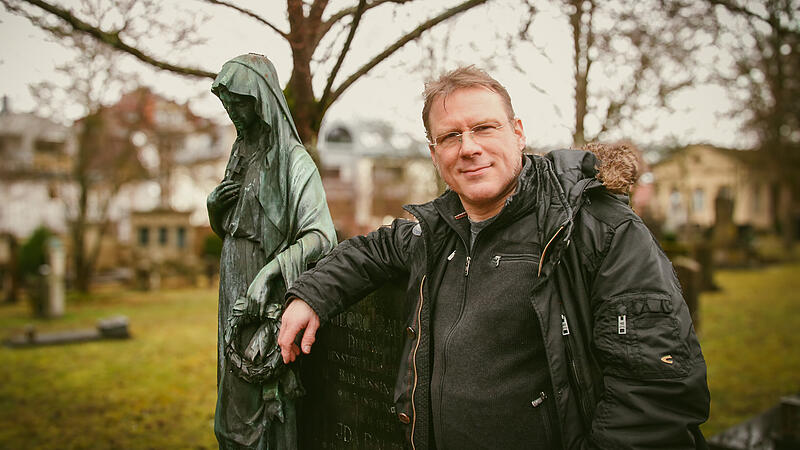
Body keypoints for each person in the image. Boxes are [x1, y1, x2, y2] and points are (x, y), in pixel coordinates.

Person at [278, 66, 710, 449]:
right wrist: (311, 295)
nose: (468, 148)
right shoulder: (435, 230)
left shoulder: (597, 229)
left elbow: (655, 394)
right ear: (434, 154)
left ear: (518, 132)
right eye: (450, 136)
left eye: (484, 128)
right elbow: (370, 251)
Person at [208, 53, 336, 450]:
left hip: (266, 291)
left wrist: (272, 271)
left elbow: (321, 236)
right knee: (230, 387)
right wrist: (214, 209)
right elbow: (233, 228)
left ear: (262, 102)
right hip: (232, 278)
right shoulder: (239, 155)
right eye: (228, 104)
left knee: (258, 393)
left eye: (240, 102)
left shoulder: (294, 162)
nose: (233, 112)